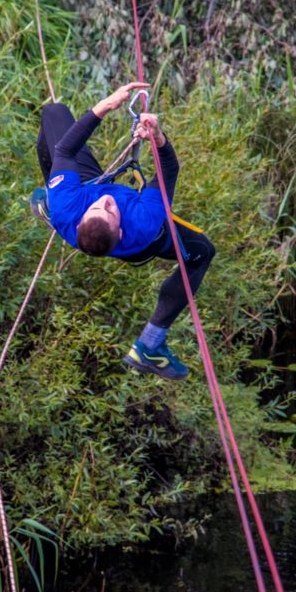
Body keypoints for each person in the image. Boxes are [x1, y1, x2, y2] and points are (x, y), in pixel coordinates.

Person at [36, 82, 216, 380]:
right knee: (203, 252)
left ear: (81, 222)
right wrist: (159, 138)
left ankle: (48, 200)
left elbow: (66, 149)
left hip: (78, 195)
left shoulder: (69, 206)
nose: (106, 201)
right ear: (119, 231)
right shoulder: (143, 221)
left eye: (99, 207)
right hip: (150, 242)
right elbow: (169, 170)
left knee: (54, 114)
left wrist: (106, 106)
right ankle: (150, 344)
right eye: (109, 210)